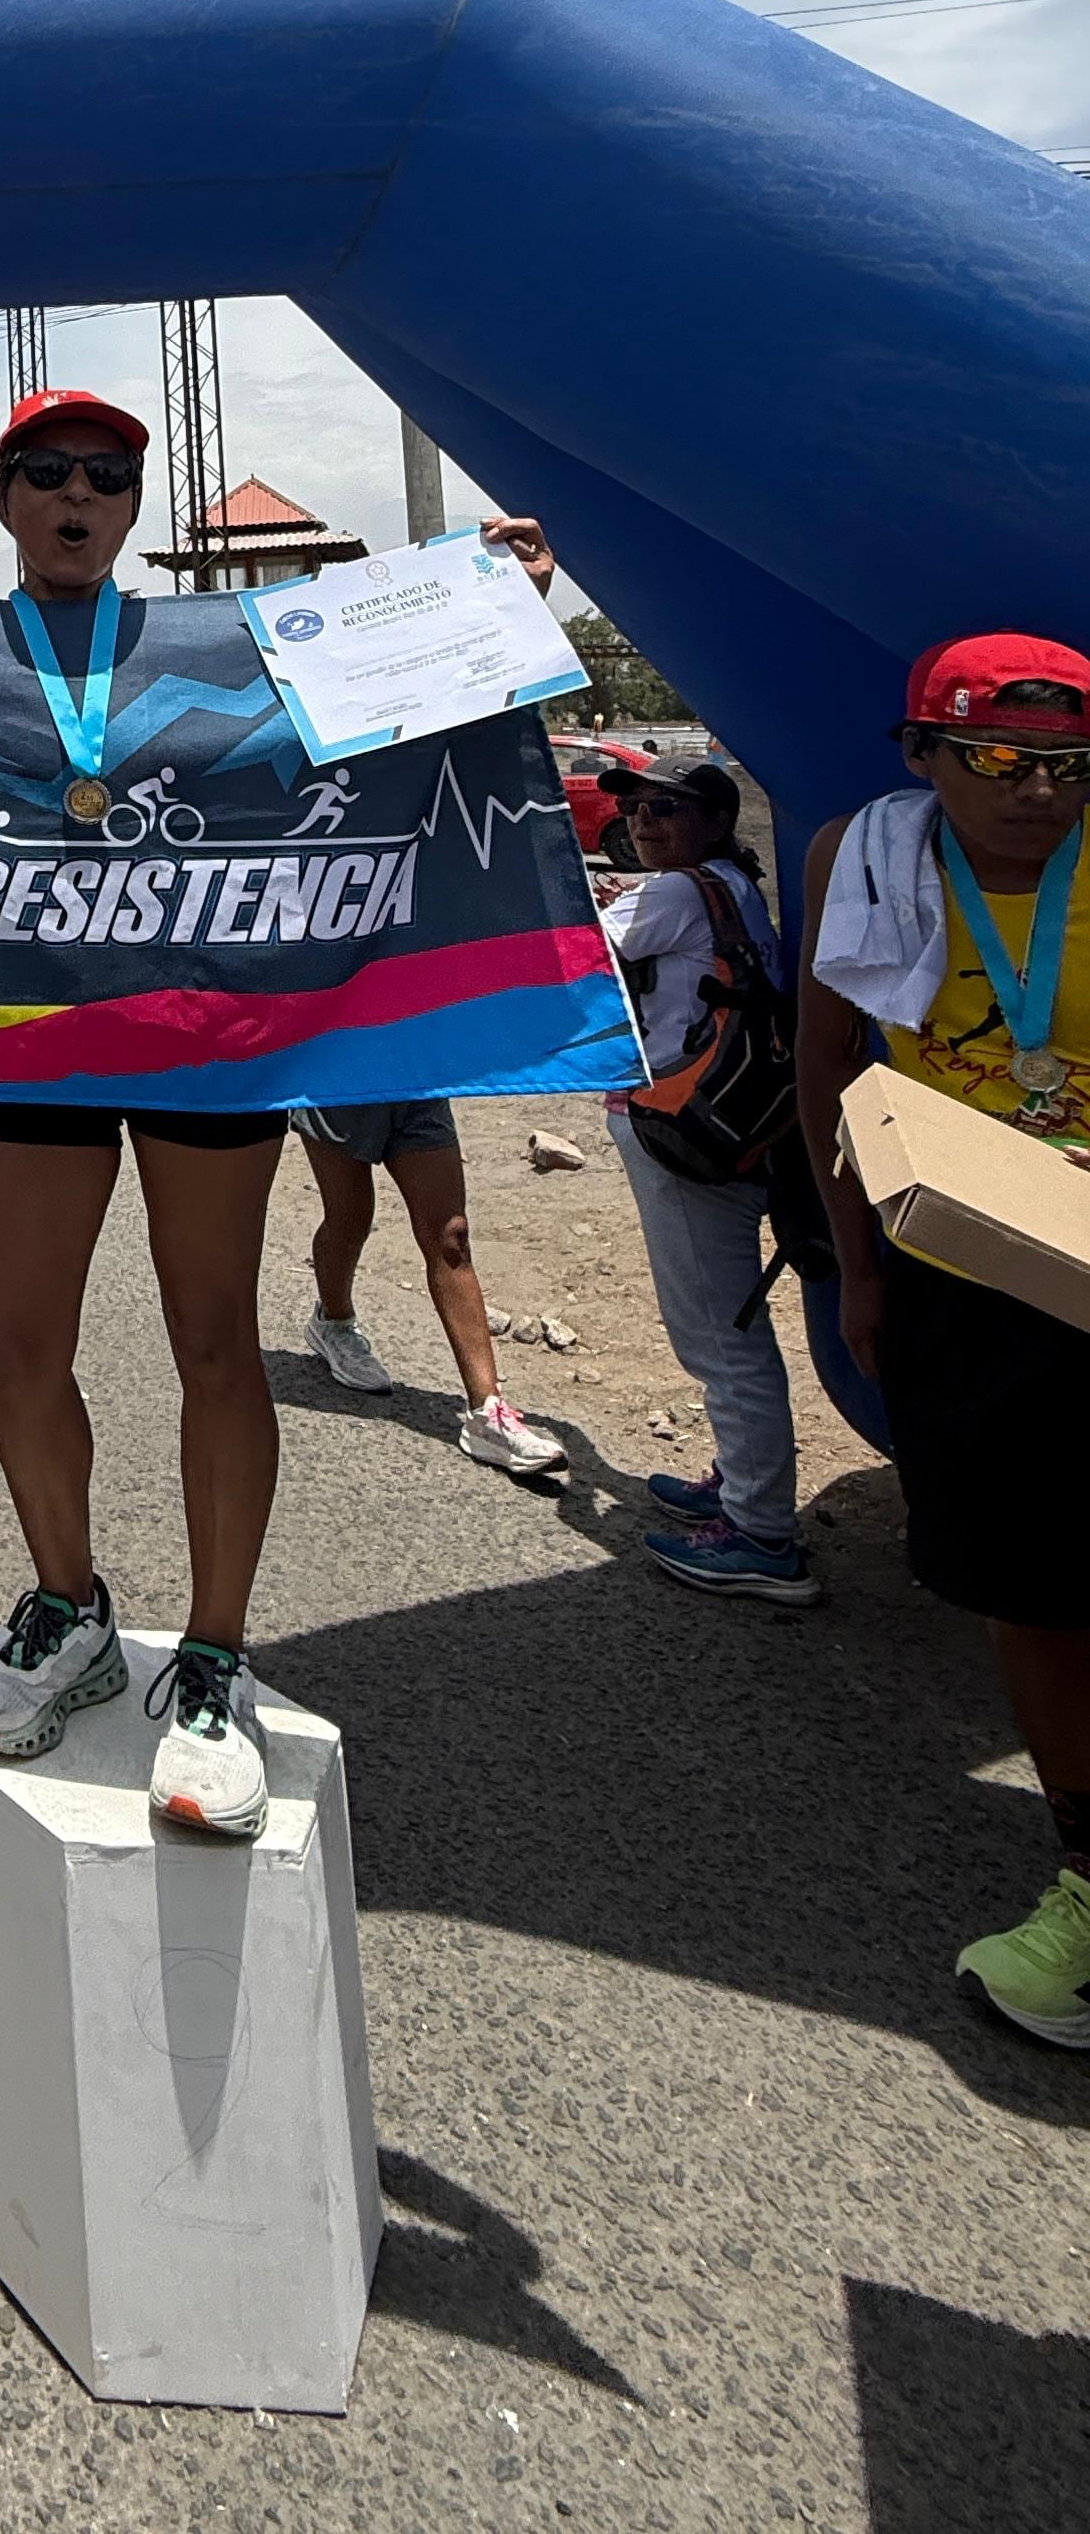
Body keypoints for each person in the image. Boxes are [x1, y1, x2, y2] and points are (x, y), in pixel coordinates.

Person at [0, 390, 290, 1836]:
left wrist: (504, 604)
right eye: (48, 472)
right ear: (6, 494)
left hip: (202, 1031)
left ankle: (212, 1659)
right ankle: (67, 1607)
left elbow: (408, 699)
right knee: (21, 1345)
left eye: (108, 477)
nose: (78, 493)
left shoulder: (221, 642)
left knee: (213, 1337)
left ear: (135, 507)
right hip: (28, 1032)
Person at [798, 632, 1090, 2048]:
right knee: (1019, 1581)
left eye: (1065, 767)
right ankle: (1088, 1879)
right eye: (997, 761)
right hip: (966, 1269)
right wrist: (856, 1265)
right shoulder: (867, 860)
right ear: (924, 757)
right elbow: (828, 1070)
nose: (1036, 793)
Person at [597, 759, 821, 1604]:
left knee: (720, 1340)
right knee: (726, 1323)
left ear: (715, 821)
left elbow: (581, 949)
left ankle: (763, 1533)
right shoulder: (728, 883)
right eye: (641, 809)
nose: (647, 821)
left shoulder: (680, 892)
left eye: (667, 809)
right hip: (731, 1126)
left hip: (684, 1128)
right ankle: (737, 1483)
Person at [292, 1101, 567, 1482]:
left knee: (451, 1235)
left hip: (418, 1079)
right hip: (341, 1075)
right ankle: (334, 1323)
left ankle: (486, 1411)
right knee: (350, 1217)